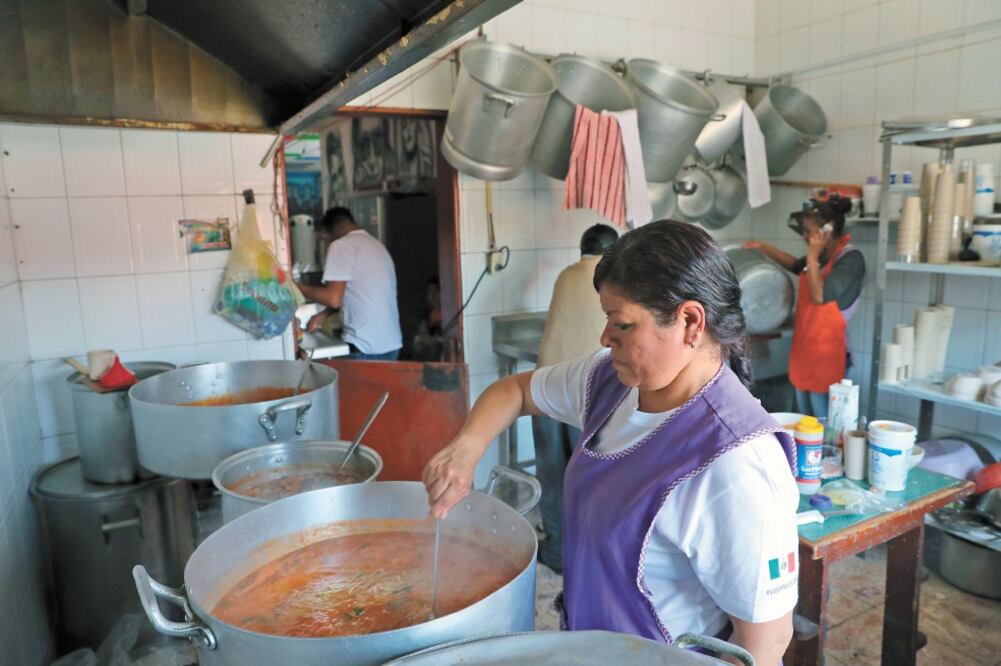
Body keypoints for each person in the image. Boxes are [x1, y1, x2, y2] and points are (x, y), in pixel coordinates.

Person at [423, 221, 798, 663]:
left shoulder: (737, 464)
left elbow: (765, 645)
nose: (605, 338)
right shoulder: (610, 380)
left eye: (620, 324)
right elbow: (516, 391)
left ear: (691, 321)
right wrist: (465, 449)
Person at [532, 223, 619, 572]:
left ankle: (555, 551)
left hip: (546, 384)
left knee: (551, 472)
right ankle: (590, 555)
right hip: (588, 390)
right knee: (588, 475)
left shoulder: (566, 276)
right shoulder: (616, 282)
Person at [744, 196, 864, 418]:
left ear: (827, 231)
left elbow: (820, 295)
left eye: (809, 231)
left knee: (825, 426)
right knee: (803, 424)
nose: (806, 237)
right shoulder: (819, 259)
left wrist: (812, 255)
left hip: (829, 358)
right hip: (805, 354)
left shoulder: (851, 259)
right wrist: (763, 247)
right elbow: (796, 265)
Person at [295, 207, 403, 360]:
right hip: (391, 344)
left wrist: (297, 287)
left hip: (364, 347)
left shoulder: (341, 246)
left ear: (329, 232)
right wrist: (326, 313)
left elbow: (333, 298)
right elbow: (362, 292)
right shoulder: (377, 245)